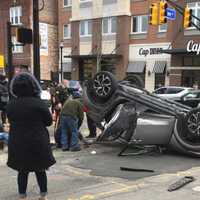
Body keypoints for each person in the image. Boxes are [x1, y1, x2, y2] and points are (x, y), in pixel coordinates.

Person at [6, 72, 56, 200]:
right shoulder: (39, 103)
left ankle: (22, 196)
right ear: (34, 86)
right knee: (40, 169)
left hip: (18, 141)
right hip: (37, 141)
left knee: (22, 171)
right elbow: (49, 121)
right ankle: (43, 195)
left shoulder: (11, 104)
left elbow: (11, 120)